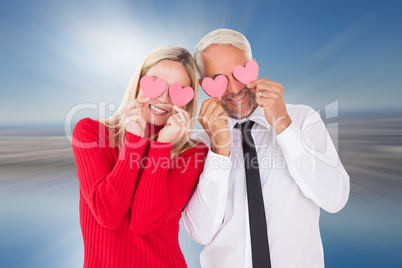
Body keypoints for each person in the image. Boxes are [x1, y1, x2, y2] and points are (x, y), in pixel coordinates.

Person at [182, 29, 350, 268]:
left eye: (239, 73)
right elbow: (200, 233)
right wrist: (218, 149)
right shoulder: (198, 145)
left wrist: (283, 124)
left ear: (254, 67)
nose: (233, 89)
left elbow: (335, 199)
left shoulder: (302, 119)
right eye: (218, 79)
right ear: (203, 86)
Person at [72, 46, 208, 268]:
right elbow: (108, 214)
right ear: (138, 82)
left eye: (177, 90)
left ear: (187, 101)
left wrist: (162, 145)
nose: (163, 98)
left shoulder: (192, 154)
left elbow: (143, 223)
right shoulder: (90, 133)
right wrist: (134, 141)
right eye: (156, 82)